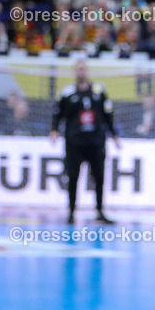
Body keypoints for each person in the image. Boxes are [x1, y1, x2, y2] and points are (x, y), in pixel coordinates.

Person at [50, 60, 121, 224]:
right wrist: (54, 130)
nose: (81, 72)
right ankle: (71, 212)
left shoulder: (99, 91)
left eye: (83, 69)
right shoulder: (67, 93)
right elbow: (57, 114)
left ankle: (100, 211)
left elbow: (108, 115)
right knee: (73, 177)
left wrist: (114, 135)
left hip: (96, 142)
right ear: (74, 71)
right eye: (78, 69)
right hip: (74, 143)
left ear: (87, 71)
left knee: (99, 177)